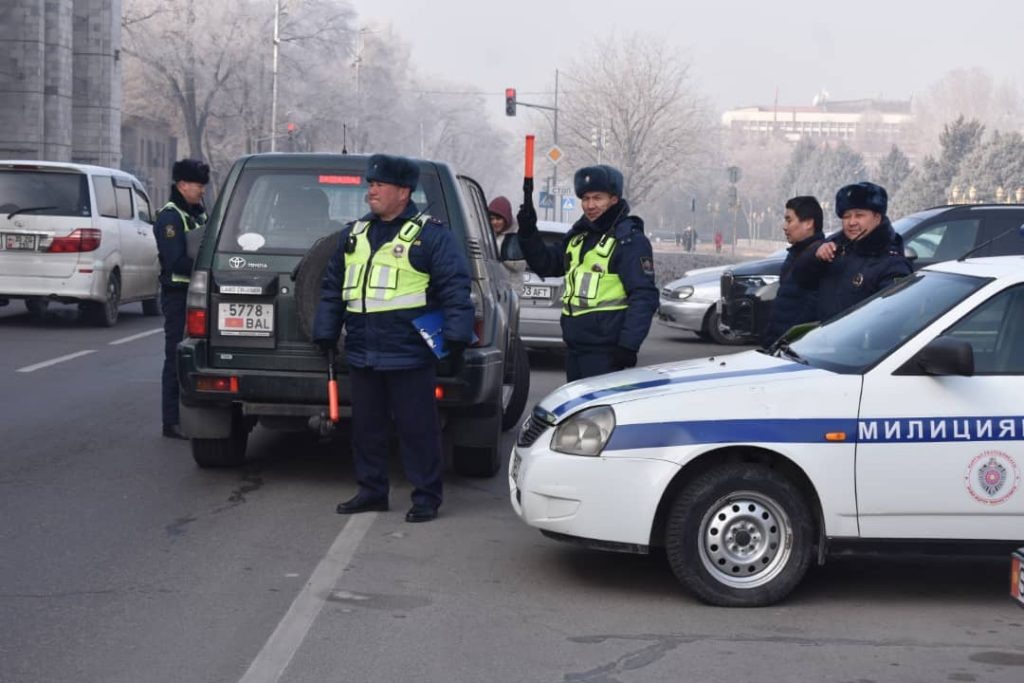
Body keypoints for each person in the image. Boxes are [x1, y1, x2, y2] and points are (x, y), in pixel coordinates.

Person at [313, 154, 474, 523]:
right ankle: (371, 492)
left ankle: (426, 497)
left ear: (403, 192)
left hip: (409, 354)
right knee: (366, 430)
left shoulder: (430, 236)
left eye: (379, 185)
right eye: (370, 185)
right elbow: (332, 287)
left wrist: (456, 339)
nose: (371, 191)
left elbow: (455, 288)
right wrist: (325, 331)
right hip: (363, 351)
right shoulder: (354, 235)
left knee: (417, 430)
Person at [515, 164, 658, 381]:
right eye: (585, 198)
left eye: (597, 198)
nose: (590, 205)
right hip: (574, 346)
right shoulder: (578, 237)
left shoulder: (629, 241)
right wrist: (528, 232)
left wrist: (628, 345)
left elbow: (644, 296)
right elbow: (546, 264)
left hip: (607, 352)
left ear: (614, 199)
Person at [155, 158, 209, 439]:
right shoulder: (170, 217)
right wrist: (208, 267)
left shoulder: (199, 214)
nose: (202, 190)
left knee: (198, 356)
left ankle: (192, 414)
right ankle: (171, 420)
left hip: (199, 293)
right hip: (178, 296)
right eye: (198, 185)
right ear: (183, 185)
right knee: (175, 356)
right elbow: (175, 261)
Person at [804, 181, 911, 321]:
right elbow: (801, 282)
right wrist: (815, 257)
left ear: (877, 217)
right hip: (825, 332)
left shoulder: (891, 263)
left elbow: (892, 316)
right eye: (846, 216)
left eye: (859, 215)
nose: (851, 222)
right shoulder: (834, 247)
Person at [761, 196, 824, 347]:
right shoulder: (796, 253)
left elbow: (811, 308)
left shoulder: (820, 256)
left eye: (789, 221)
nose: (784, 227)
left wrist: (788, 339)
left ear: (808, 223)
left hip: (796, 345)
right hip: (780, 343)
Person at [487, 195, 526, 287]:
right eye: (491, 219)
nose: (494, 222)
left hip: (510, 289)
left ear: (506, 219)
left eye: (498, 219)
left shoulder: (515, 237)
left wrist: (499, 253)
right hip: (494, 288)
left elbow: (518, 264)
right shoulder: (489, 235)